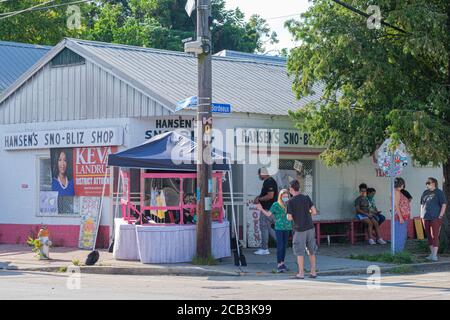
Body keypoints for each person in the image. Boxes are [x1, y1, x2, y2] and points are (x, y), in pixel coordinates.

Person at [286, 180, 317, 279]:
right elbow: (314, 212)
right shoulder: (306, 198)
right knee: (311, 251)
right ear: (298, 188)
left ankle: (301, 273)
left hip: (299, 229)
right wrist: (306, 214)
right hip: (310, 227)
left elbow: (289, 217)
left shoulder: (290, 201)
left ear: (291, 189)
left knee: (300, 252)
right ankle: (313, 272)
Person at [256, 189, 293, 273]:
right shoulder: (276, 205)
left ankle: (282, 263)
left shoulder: (289, 204)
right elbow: (269, 214)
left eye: (286, 196)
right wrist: (261, 209)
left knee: (284, 246)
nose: (285, 198)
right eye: (283, 196)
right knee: (280, 246)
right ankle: (279, 264)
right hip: (279, 228)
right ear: (280, 197)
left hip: (287, 227)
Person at [421, 177, 447, 261]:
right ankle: (431, 254)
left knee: (434, 235)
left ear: (433, 183)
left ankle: (435, 255)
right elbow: (422, 204)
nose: (427, 185)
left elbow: (443, 204)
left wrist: (440, 216)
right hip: (425, 217)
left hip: (435, 217)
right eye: (426, 183)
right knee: (428, 236)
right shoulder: (425, 192)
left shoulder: (439, 192)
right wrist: (421, 214)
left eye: (428, 183)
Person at [253, 167, 278, 255]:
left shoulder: (269, 182)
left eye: (259, 174)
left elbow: (270, 196)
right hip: (270, 208)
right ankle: (281, 242)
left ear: (263, 173)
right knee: (267, 227)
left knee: (264, 227)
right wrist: (258, 197)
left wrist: (259, 199)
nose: (259, 176)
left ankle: (264, 249)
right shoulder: (268, 181)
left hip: (268, 208)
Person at [393, 178, 411, 253]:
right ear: (402, 184)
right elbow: (396, 205)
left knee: (401, 234)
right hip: (400, 217)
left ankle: (399, 251)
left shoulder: (397, 192)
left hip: (403, 216)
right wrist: (400, 217)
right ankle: (398, 252)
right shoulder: (397, 192)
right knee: (400, 235)